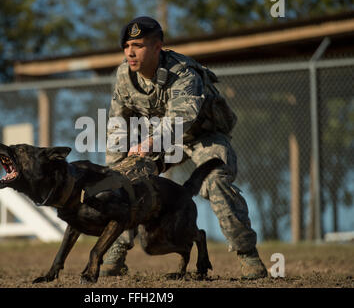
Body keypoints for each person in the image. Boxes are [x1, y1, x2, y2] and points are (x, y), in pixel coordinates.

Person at [101, 16, 268, 280]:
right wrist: (114, 171)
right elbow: (117, 125)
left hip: (203, 135)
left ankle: (248, 256)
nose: (130, 52)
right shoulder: (124, 76)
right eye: (126, 46)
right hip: (159, 140)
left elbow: (180, 121)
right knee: (126, 183)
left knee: (216, 182)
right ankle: (115, 251)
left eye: (139, 45)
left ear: (157, 47)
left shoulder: (184, 72)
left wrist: (149, 144)